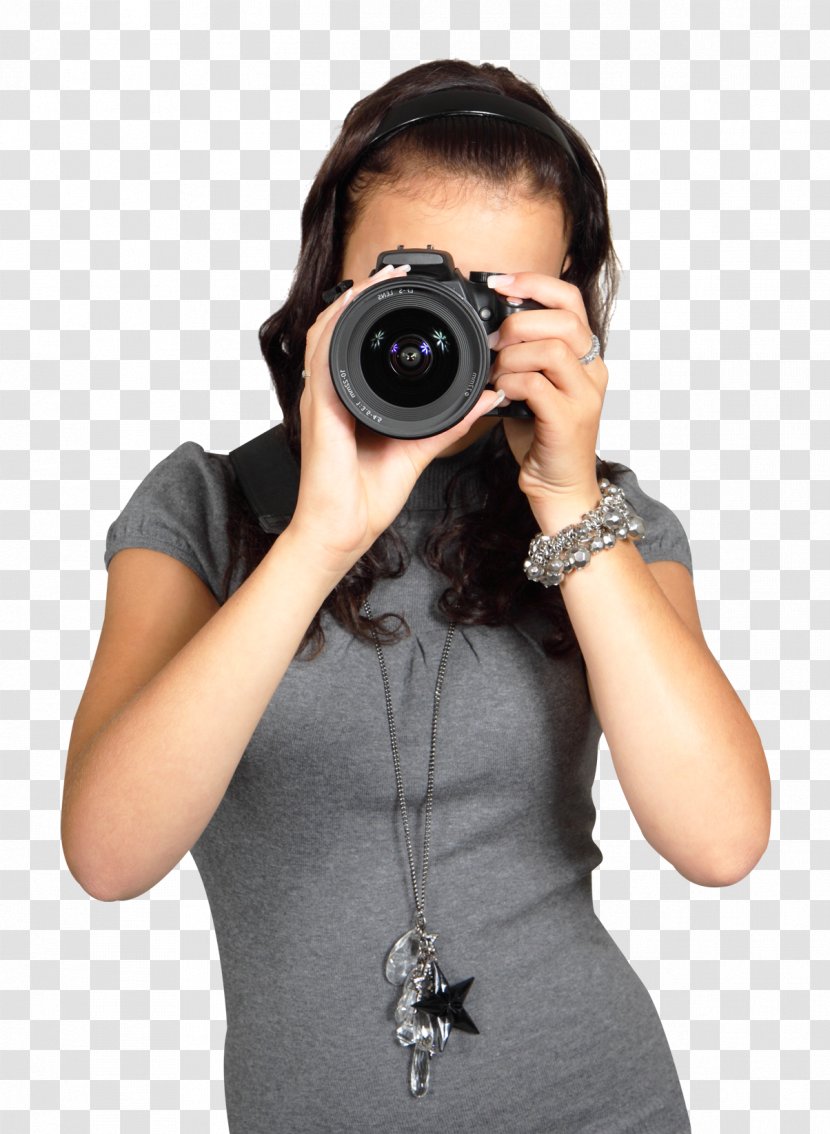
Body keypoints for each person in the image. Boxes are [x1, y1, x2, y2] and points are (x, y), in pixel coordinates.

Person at [61, 60, 770, 1133]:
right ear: (327, 284)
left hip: (598, 1101)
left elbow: (717, 843)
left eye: (496, 300)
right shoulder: (206, 507)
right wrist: (318, 538)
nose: (441, 327)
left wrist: (566, 498)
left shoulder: (606, 529)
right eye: (408, 283)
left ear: (563, 303)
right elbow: (110, 856)